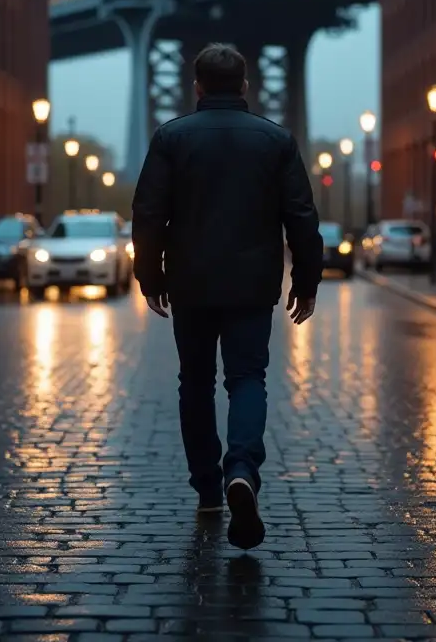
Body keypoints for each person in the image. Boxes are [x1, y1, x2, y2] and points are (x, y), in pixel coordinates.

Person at [131, 42, 323, 551]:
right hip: (252, 284)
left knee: (194, 382)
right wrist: (306, 281)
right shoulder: (276, 140)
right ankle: (241, 469)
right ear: (244, 86)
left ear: (196, 87)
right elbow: (301, 217)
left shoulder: (171, 138)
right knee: (246, 379)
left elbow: (149, 213)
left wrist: (150, 276)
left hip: (191, 283)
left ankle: (209, 490)